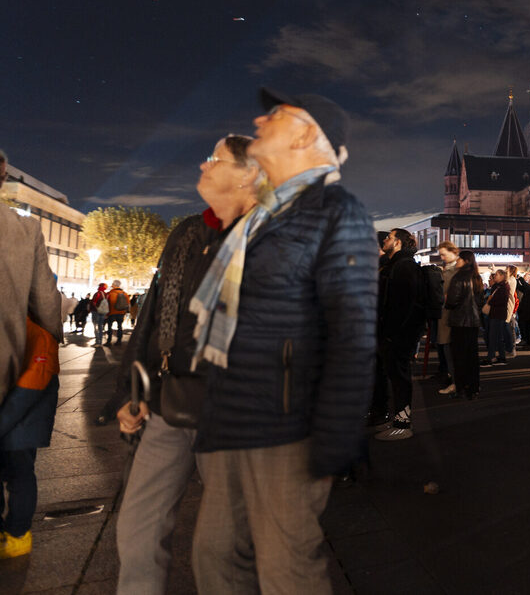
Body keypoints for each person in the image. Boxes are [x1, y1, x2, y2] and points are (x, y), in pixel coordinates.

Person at [189, 88, 378, 594]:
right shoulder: (263, 215)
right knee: (215, 554)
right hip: (234, 413)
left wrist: (334, 439)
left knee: (286, 569)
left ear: (303, 135)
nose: (258, 118)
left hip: (287, 423)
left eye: (275, 114)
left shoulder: (337, 210)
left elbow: (353, 332)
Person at [114, 134, 260, 593]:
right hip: (167, 400)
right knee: (136, 530)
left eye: (215, 159)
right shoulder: (187, 232)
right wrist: (130, 392)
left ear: (248, 173)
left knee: (221, 551)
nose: (203, 165)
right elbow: (155, 315)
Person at [0, 148, 63, 559]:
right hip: (16, 368)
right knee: (20, 465)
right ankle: (18, 537)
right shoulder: (25, 229)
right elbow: (46, 301)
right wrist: (47, 347)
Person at [376, 228, 426, 441]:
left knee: (400, 377)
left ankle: (403, 423)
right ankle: (398, 419)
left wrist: (391, 333)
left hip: (398, 334)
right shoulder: (395, 265)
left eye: (389, 237)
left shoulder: (404, 267)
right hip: (394, 333)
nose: (385, 240)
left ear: (398, 243)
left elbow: (404, 306)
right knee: (395, 376)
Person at [444, 251, 484, 399]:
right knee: (472, 356)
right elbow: (480, 301)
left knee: (459, 356)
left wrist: (447, 300)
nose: (457, 261)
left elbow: (452, 301)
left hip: (460, 321)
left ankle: (461, 387)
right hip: (473, 322)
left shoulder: (459, 277)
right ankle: (474, 387)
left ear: (465, 260)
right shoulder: (476, 277)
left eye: (459, 258)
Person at [435, 241, 460, 395]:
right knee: (448, 351)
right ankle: (455, 382)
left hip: (451, 317)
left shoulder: (456, 270)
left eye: (444, 254)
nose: (442, 257)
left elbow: (452, 294)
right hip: (447, 316)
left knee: (450, 352)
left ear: (453, 251)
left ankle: (456, 383)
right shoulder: (449, 269)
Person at [484, 270, 512, 366]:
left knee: (493, 337)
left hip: (497, 314)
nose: (494, 276)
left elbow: (501, 300)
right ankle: (502, 357)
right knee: (498, 337)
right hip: (498, 314)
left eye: (496, 275)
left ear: (501, 276)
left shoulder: (503, 287)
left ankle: (491, 357)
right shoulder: (501, 286)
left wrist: (490, 301)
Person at [106, 279, 130, 345]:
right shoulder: (124, 293)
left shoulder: (111, 293)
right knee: (120, 327)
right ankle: (119, 341)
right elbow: (127, 303)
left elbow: (108, 303)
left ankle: (109, 341)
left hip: (112, 313)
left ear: (114, 285)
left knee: (109, 327)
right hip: (121, 313)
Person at [90, 282, 110, 347]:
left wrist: (96, 308)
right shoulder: (106, 294)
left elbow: (94, 303)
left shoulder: (97, 293)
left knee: (95, 326)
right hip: (103, 312)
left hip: (96, 312)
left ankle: (97, 342)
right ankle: (100, 342)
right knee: (100, 327)